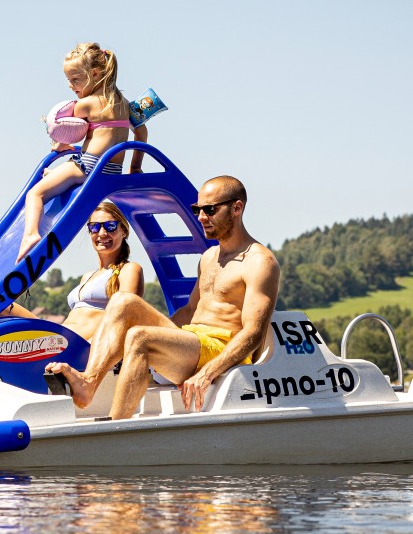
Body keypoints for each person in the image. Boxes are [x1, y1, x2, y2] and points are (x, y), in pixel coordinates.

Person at [45, 176, 280, 418]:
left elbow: (253, 333)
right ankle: (89, 382)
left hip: (218, 349)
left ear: (237, 208)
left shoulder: (259, 261)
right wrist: (165, 338)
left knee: (139, 337)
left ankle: (116, 429)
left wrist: (206, 373)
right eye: (197, 209)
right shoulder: (210, 257)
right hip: (192, 341)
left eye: (209, 210)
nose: (200, 217)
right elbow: (189, 311)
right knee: (122, 302)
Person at [17, 43, 148, 262]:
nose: (71, 85)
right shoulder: (125, 105)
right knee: (65, 173)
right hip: (112, 172)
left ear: (95, 74)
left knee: (35, 194)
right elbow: (142, 133)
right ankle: (58, 176)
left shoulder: (86, 104)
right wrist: (135, 167)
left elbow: (65, 130)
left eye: (76, 79)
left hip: (87, 166)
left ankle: (30, 235)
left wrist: (58, 146)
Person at [4, 201, 144, 340]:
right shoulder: (88, 277)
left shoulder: (129, 270)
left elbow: (125, 322)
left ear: (124, 231)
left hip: (78, 347)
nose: (102, 233)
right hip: (56, 337)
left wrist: (91, 355)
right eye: (94, 227)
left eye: (110, 226)